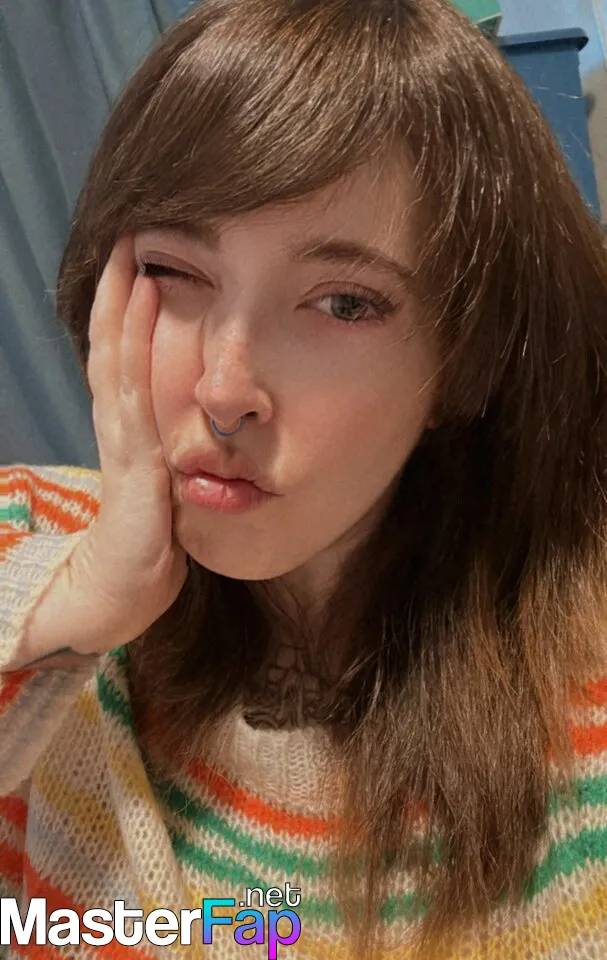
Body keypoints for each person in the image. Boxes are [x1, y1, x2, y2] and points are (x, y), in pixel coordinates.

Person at [2, 0, 607, 957]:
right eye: (175, 271)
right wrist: (69, 614)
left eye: (344, 302)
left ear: (463, 357)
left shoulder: (582, 714)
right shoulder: (34, 541)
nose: (223, 389)